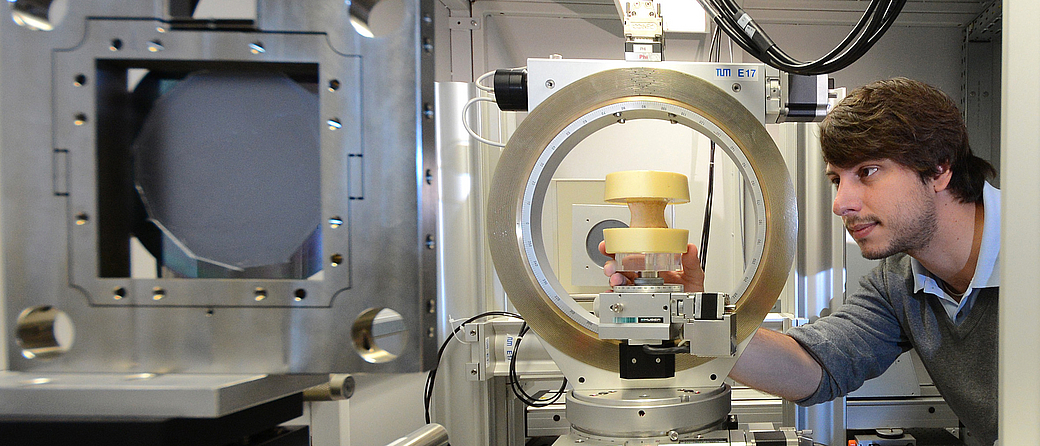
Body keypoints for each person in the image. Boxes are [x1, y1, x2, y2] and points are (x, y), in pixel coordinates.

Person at [603, 78, 999, 445]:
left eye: (868, 171)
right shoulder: (900, 282)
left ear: (939, 167)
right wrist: (693, 313)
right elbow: (817, 366)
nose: (841, 203)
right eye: (836, 180)